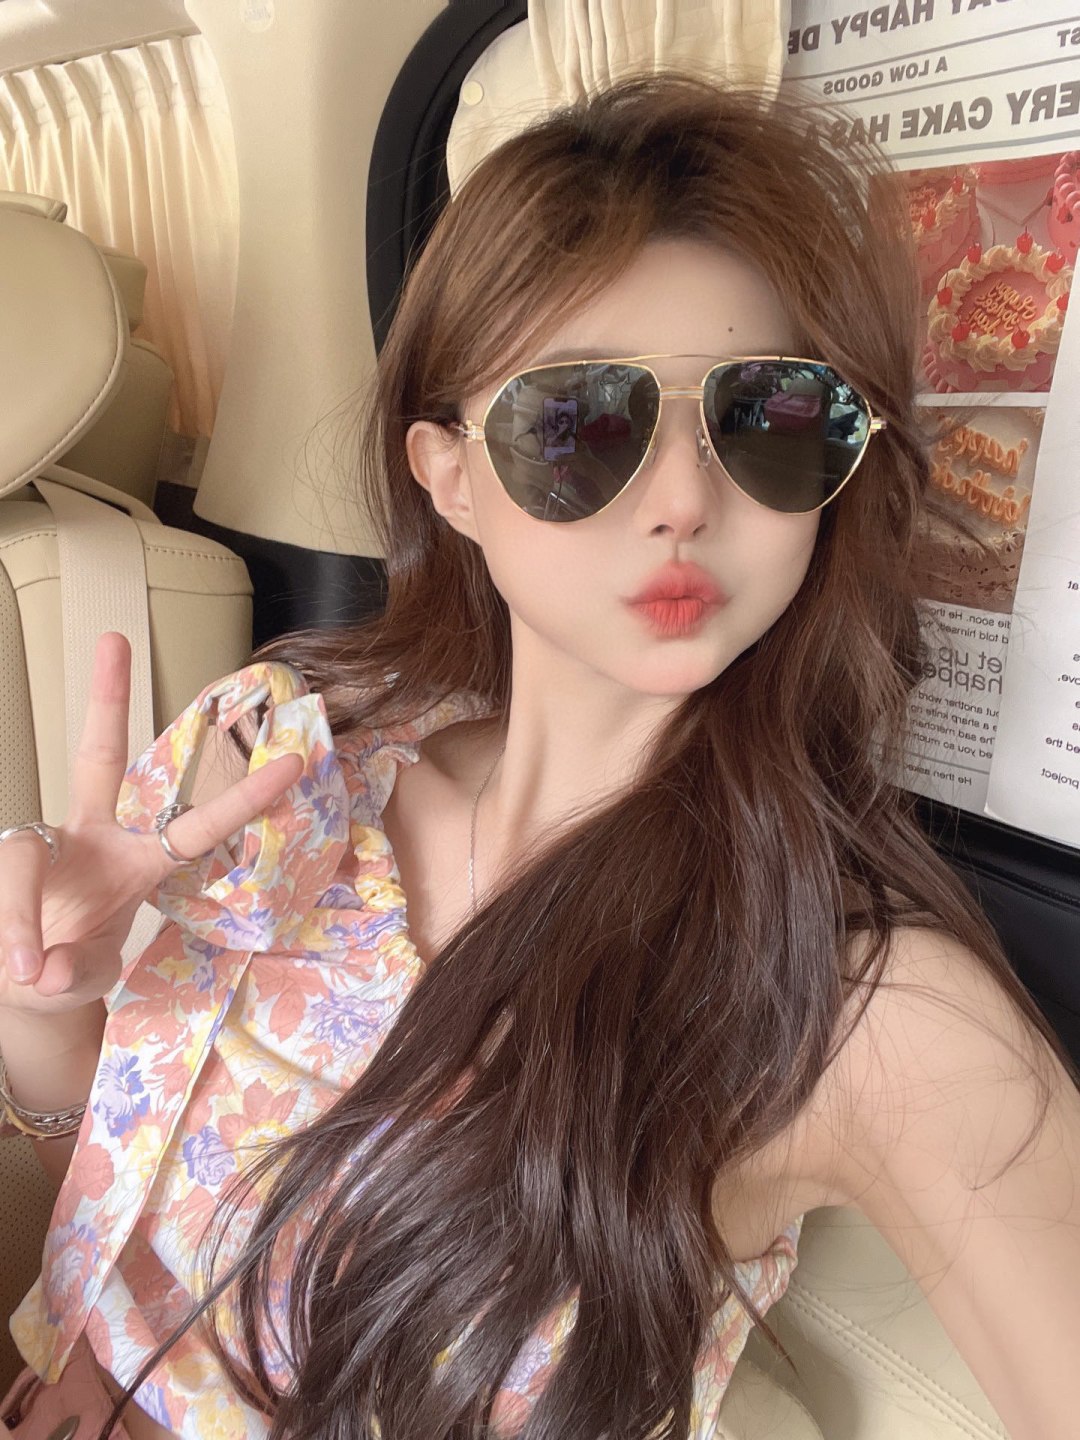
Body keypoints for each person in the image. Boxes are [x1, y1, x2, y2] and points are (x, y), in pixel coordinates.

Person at [1, 72, 1078, 1440]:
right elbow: (98, 1141)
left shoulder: (857, 1002)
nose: (684, 500)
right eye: (579, 423)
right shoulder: (272, 753)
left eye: (767, 417)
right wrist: (42, 1002)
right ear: (450, 475)